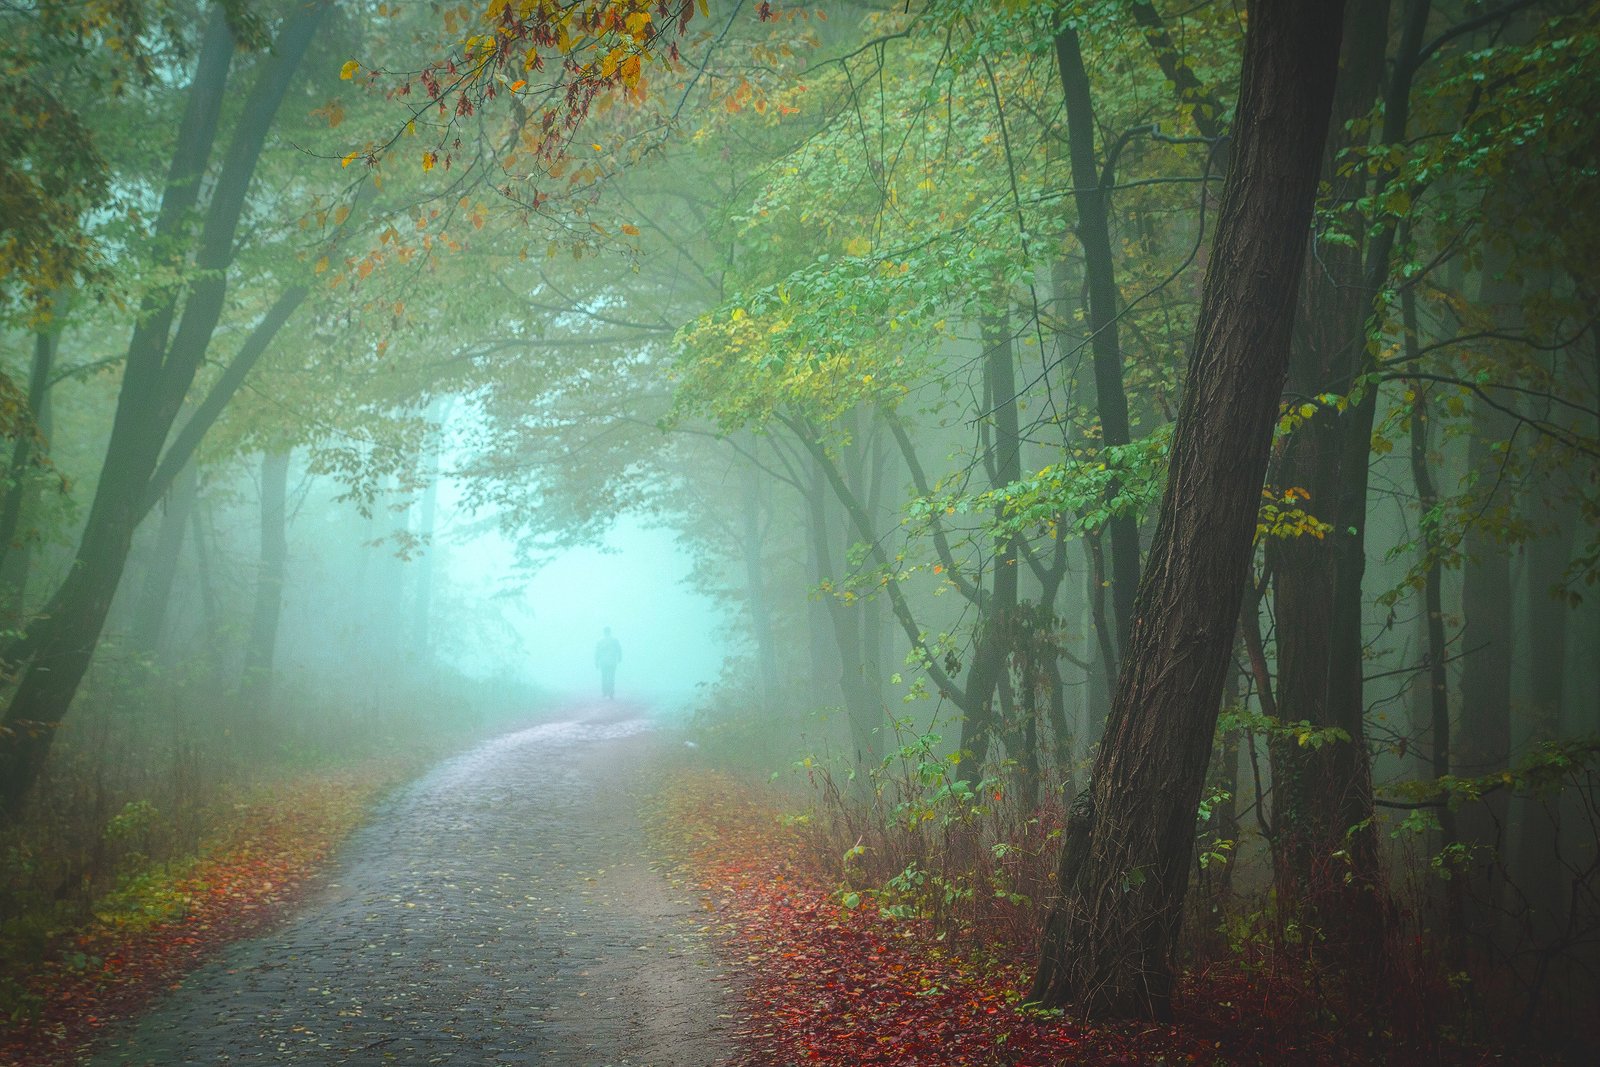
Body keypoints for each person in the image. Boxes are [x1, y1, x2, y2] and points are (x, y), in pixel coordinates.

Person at [594, 626, 622, 698]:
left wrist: (596, 661)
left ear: (604, 632)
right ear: (610, 631)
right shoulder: (615, 640)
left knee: (604, 676)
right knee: (611, 677)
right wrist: (619, 657)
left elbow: (597, 652)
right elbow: (619, 649)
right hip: (612, 661)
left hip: (603, 662)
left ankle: (604, 691)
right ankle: (611, 692)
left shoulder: (600, 641)